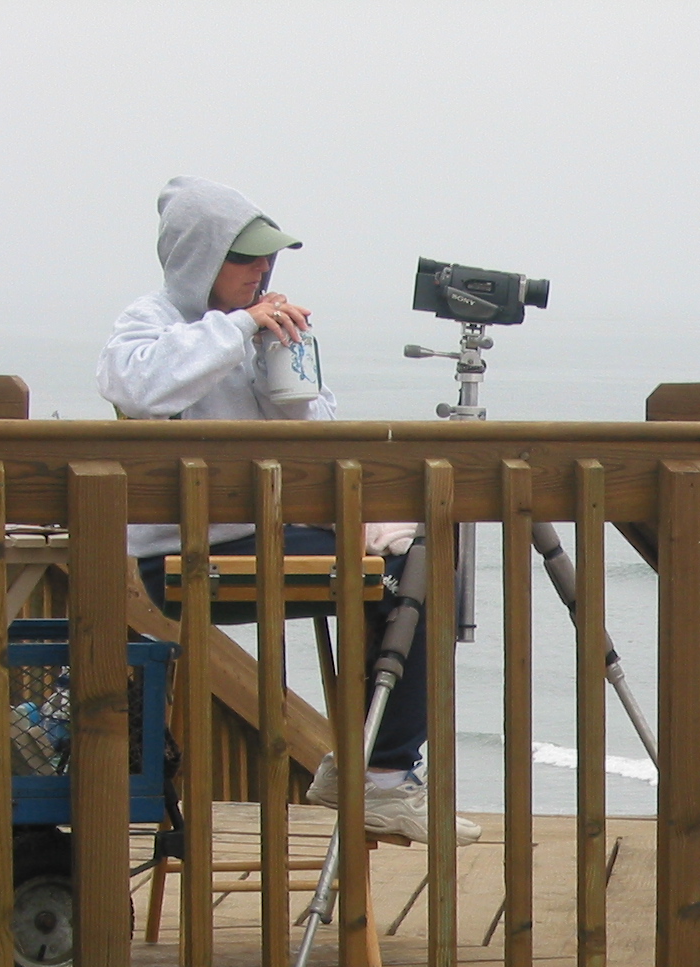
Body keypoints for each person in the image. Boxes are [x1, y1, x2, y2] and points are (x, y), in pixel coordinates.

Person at [98, 176, 474, 846]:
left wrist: (287, 370)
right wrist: (240, 327)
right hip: (189, 557)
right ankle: (380, 777)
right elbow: (139, 384)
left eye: (267, 257)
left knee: (417, 566)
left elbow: (317, 439)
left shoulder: (254, 330)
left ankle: (365, 771)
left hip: (268, 535)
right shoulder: (150, 322)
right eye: (245, 257)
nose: (263, 270)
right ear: (201, 259)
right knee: (400, 586)